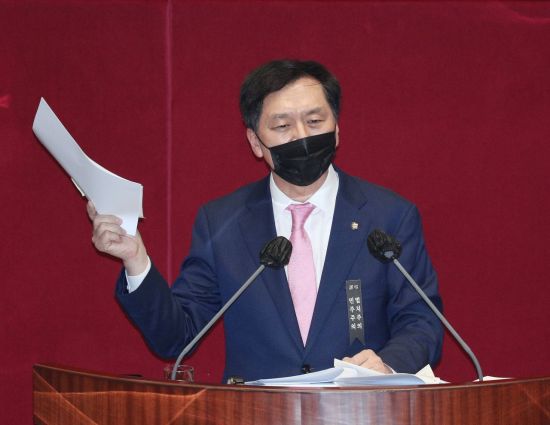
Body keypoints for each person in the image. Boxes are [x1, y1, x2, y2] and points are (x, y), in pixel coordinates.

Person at [88, 59, 443, 382]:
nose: (301, 136)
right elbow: (176, 337)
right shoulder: (222, 222)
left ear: (336, 129)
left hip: (360, 413)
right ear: (255, 142)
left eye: (315, 122)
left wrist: (388, 366)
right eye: (283, 126)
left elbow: (422, 320)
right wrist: (136, 260)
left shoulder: (389, 216)